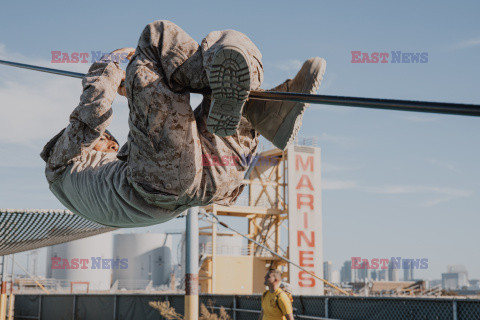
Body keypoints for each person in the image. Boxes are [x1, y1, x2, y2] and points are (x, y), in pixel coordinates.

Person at [40, 20, 326, 228]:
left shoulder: (85, 186)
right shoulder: (58, 162)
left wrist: (140, 95)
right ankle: (239, 93)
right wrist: (111, 64)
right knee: (156, 37)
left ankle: (261, 112)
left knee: (232, 46)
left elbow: (145, 133)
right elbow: (91, 115)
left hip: (210, 185)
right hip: (168, 178)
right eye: (105, 140)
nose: (105, 141)